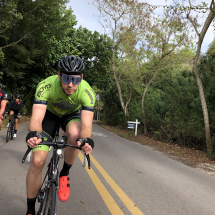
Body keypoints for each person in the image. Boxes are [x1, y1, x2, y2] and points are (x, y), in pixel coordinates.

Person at [25, 55, 95, 215]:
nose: (70, 84)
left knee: (76, 134)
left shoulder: (87, 91)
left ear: (82, 78)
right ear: (58, 75)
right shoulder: (46, 85)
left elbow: (86, 125)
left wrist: (86, 139)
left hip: (71, 116)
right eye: (66, 78)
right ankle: (30, 210)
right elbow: (36, 118)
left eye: (75, 80)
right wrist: (34, 133)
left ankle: (64, 173)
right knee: (37, 161)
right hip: (48, 116)